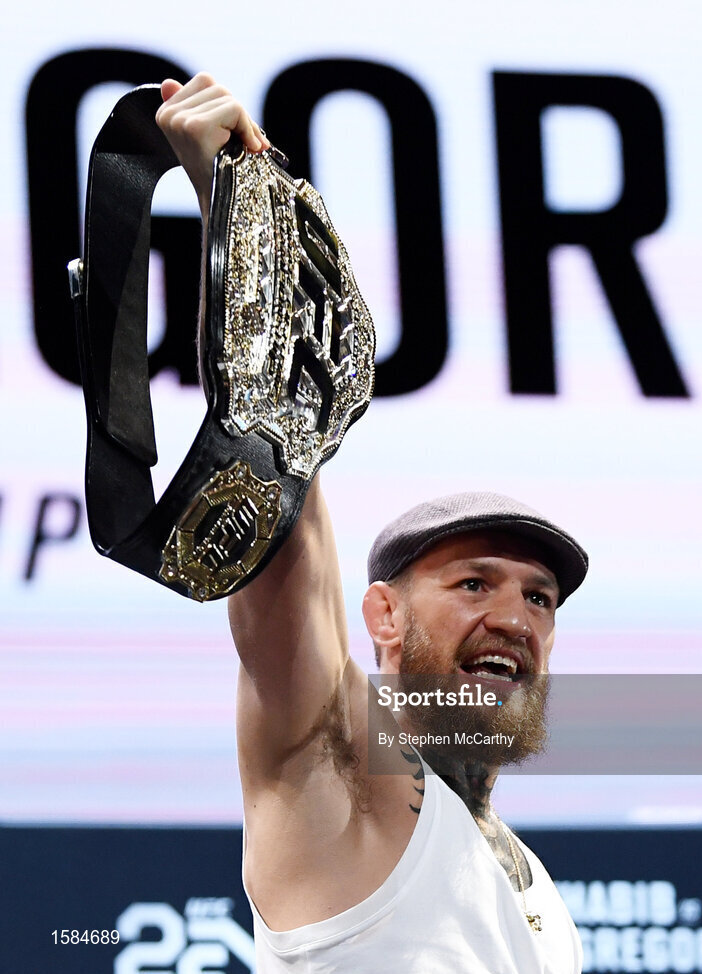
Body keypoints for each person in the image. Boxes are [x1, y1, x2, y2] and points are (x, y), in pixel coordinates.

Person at [156, 73, 589, 974]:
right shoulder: (341, 774)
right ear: (383, 615)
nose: (515, 617)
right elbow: (277, 479)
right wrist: (237, 203)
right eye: (474, 583)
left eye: (539, 598)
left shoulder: (539, 893)